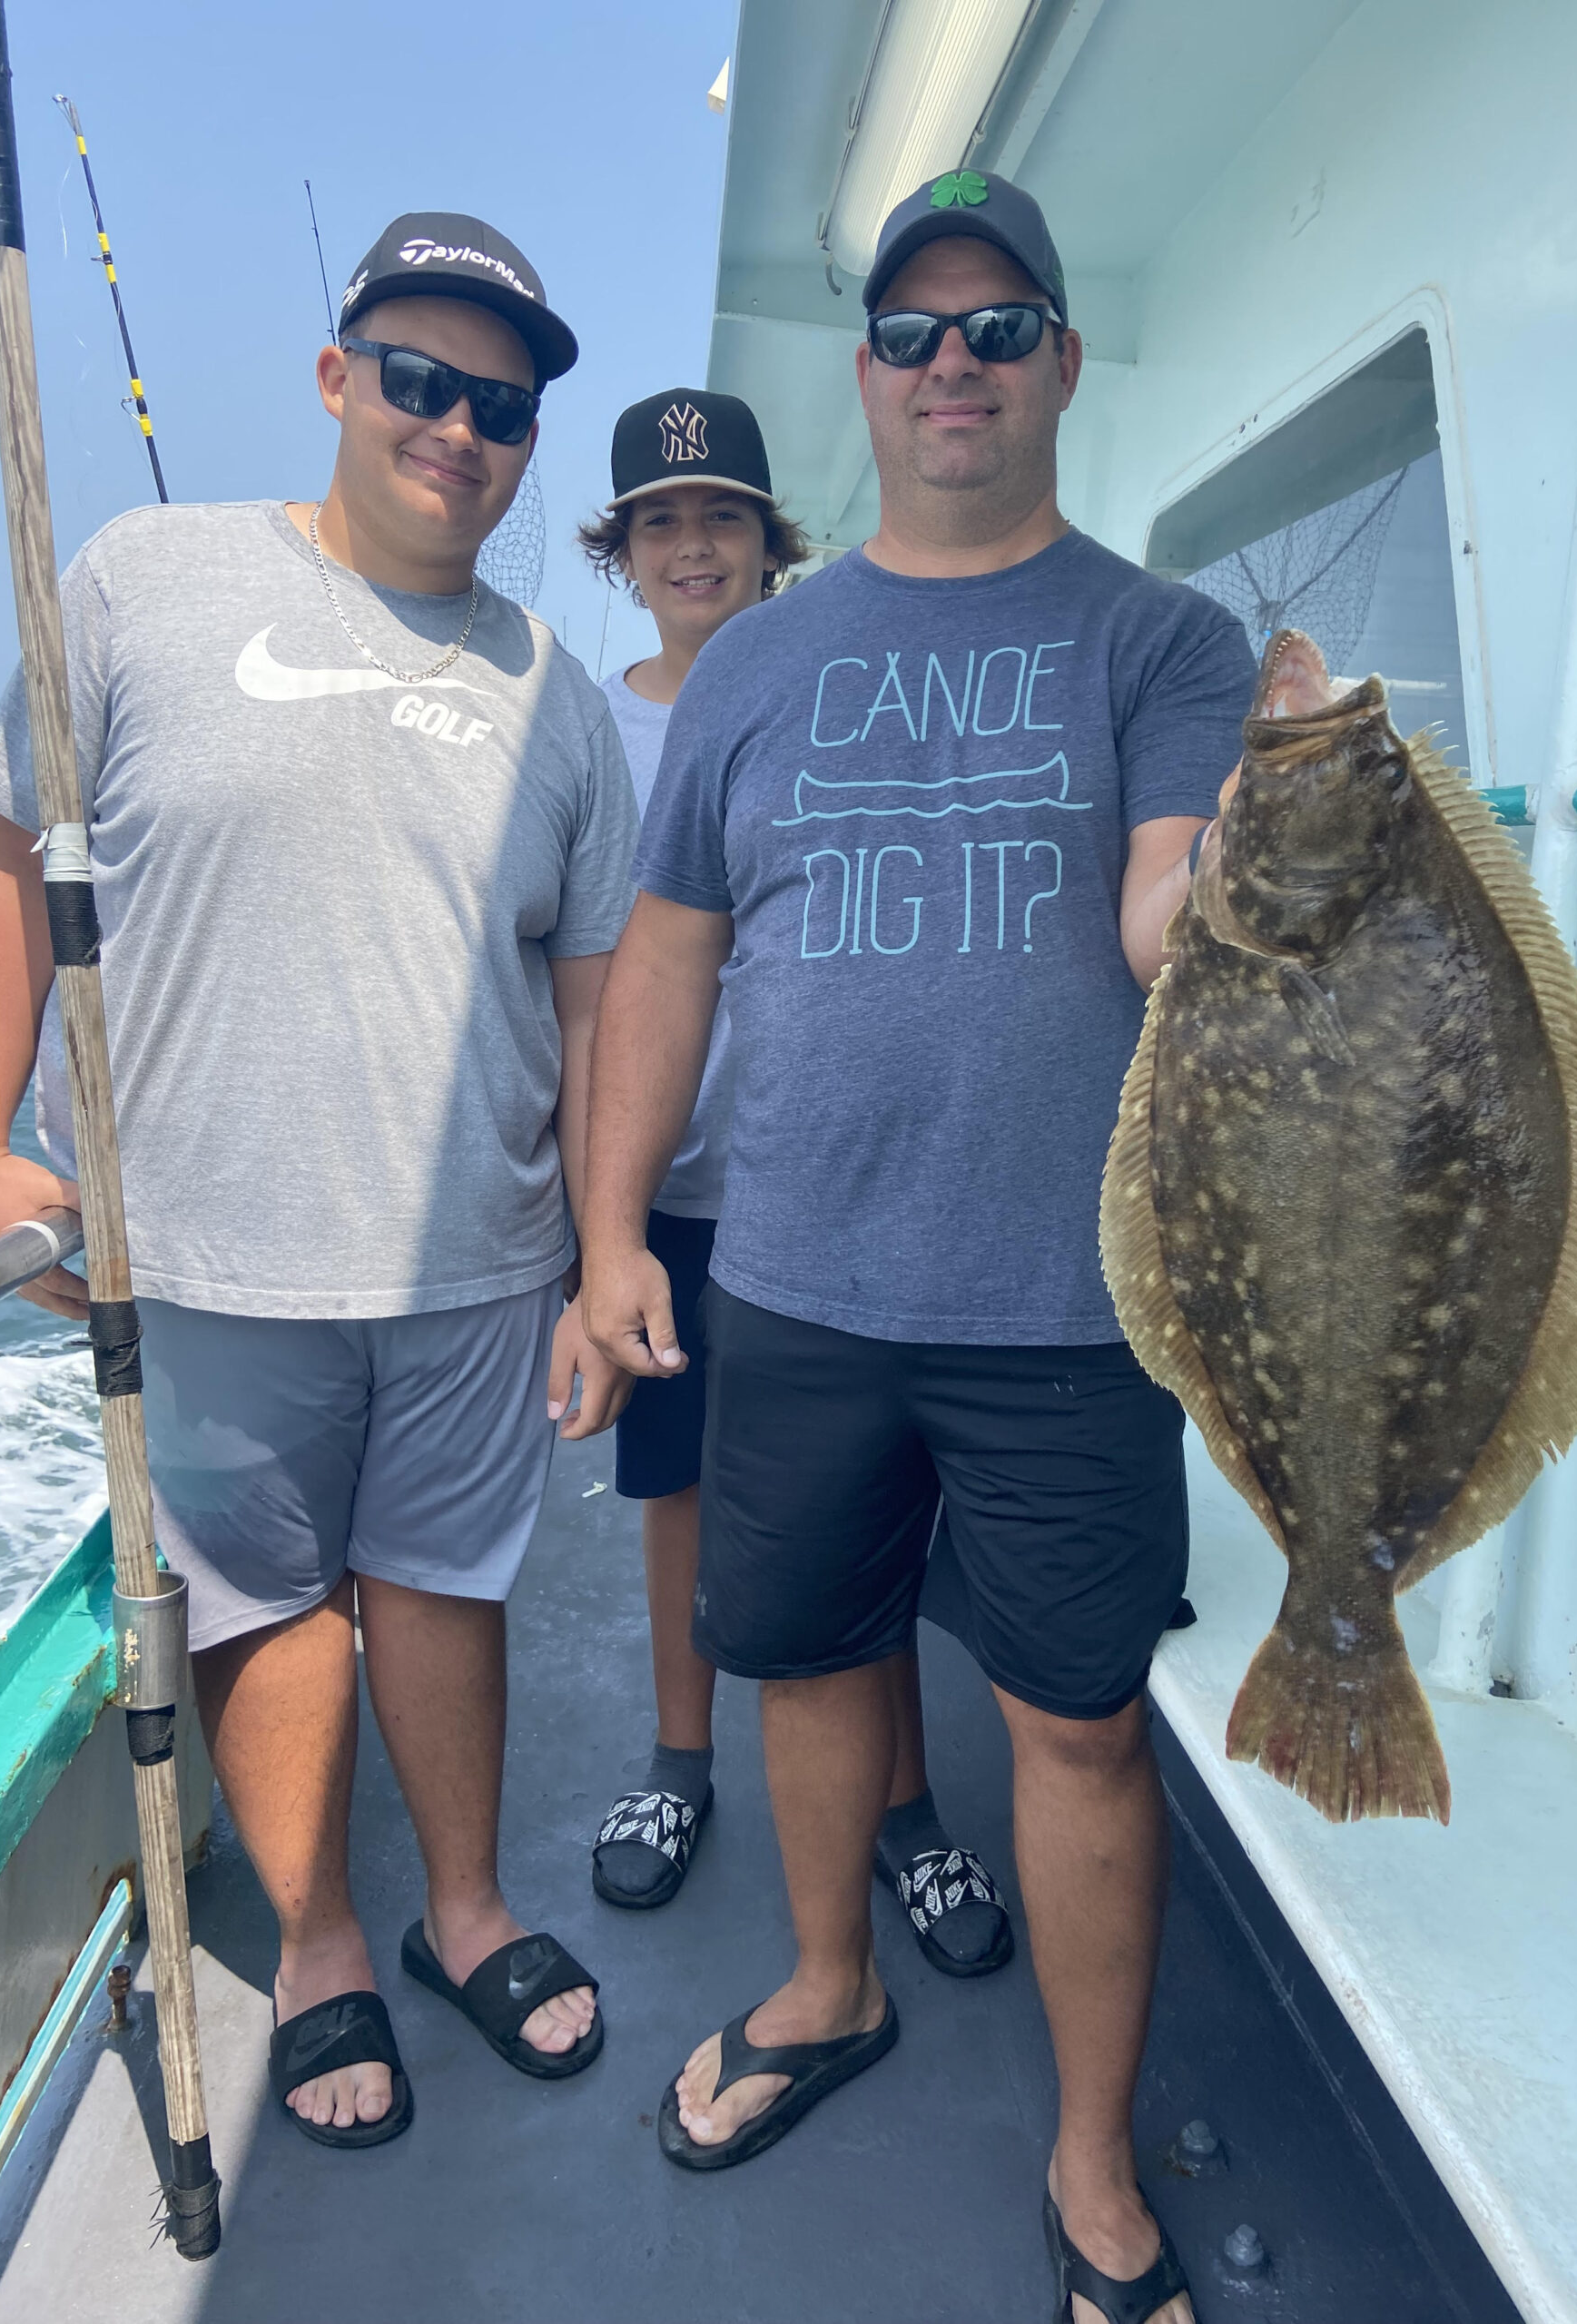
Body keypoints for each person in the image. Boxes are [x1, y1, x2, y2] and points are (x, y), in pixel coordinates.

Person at [582, 173, 1254, 2324]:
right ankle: (826, 1981)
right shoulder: (757, 663)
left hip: (1071, 1300)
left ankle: (1088, 2152)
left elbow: (1161, 913)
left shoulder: (1166, 638)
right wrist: (611, 1230)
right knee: (799, 1654)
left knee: (1076, 1720)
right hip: (787, 1279)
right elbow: (666, 965)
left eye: (1000, 324)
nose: (954, 361)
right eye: (913, 330)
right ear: (863, 375)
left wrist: (1249, 864)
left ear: (1061, 361)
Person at [0, 212, 638, 2150]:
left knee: (447, 1587)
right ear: (339, 374)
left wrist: (607, 1251)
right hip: (199, 1245)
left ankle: (463, 1908)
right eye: (422, 380)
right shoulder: (135, 579)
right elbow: (22, 860)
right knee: (264, 1602)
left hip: (476, 1258)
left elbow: (600, 998)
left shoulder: (562, 689)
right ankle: (329, 1930)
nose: (459, 427)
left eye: (502, 405)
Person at [570, 389, 1011, 1975]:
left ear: (773, 540)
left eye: (726, 518)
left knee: (867, 1511)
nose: (696, 546)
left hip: (839, 1194)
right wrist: (595, 1229)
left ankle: (909, 1809)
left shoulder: (845, 676)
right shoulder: (583, 721)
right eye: (663, 523)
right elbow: (573, 976)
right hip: (680, 1195)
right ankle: (680, 1766)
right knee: (677, 1489)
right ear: (621, 553)